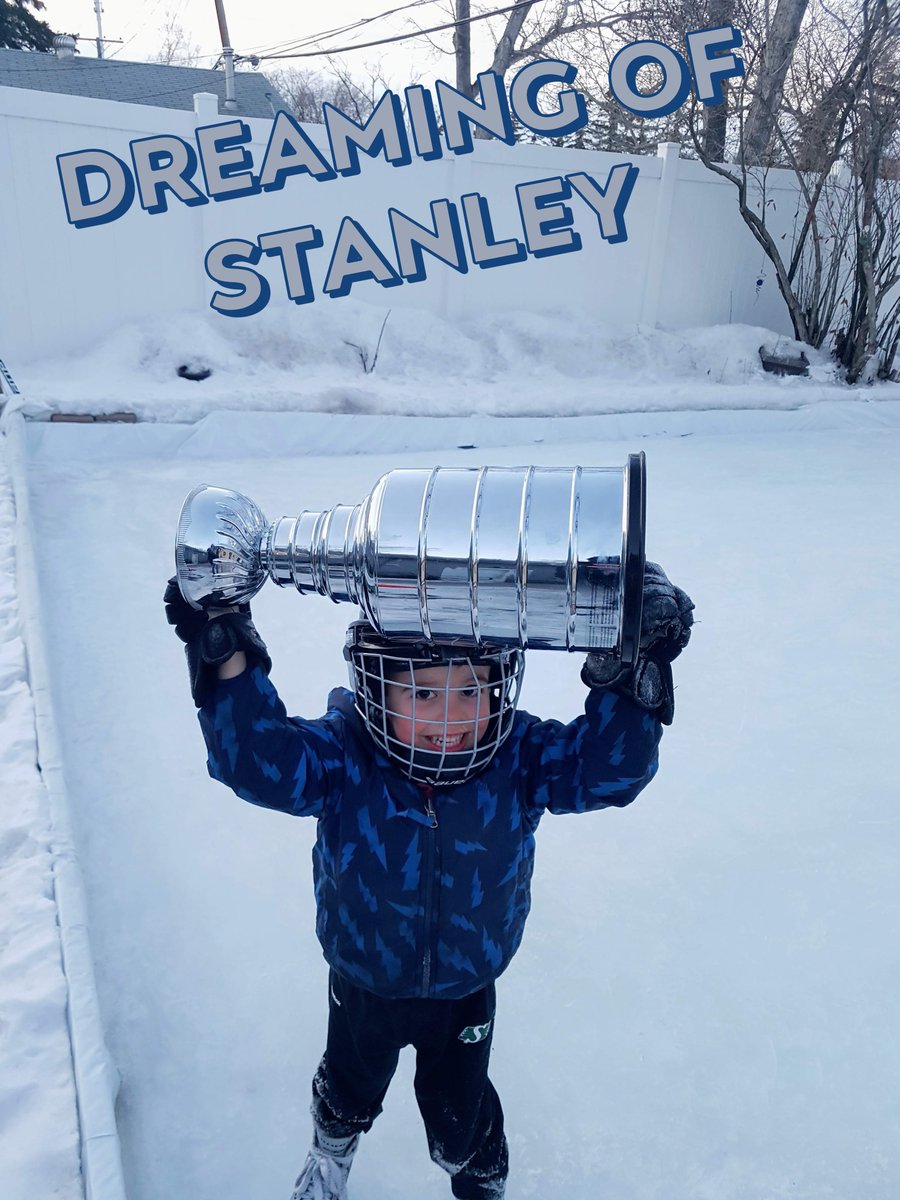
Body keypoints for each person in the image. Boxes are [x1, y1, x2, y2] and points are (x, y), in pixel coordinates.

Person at [164, 563, 693, 1200]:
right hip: (364, 978)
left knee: (459, 1116)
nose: (452, 718)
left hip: (467, 987)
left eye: (471, 692)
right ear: (377, 690)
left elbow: (610, 771)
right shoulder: (345, 758)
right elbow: (256, 761)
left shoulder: (517, 757)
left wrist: (633, 671)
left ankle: (478, 1178)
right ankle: (332, 1151)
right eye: (423, 695)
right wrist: (224, 645)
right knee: (348, 1086)